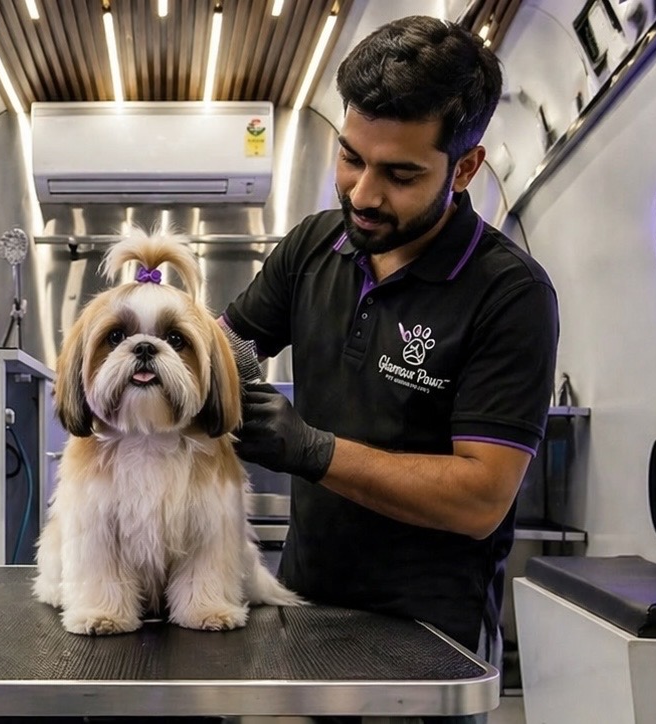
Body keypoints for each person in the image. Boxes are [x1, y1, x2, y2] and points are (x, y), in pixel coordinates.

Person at [220, 14, 559, 724]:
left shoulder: (509, 294)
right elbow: (229, 349)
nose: (363, 194)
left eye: (400, 174)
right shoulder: (314, 247)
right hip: (304, 610)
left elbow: (480, 498)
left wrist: (313, 450)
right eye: (351, 158)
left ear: (464, 168)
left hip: (429, 643)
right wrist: (147, 357)